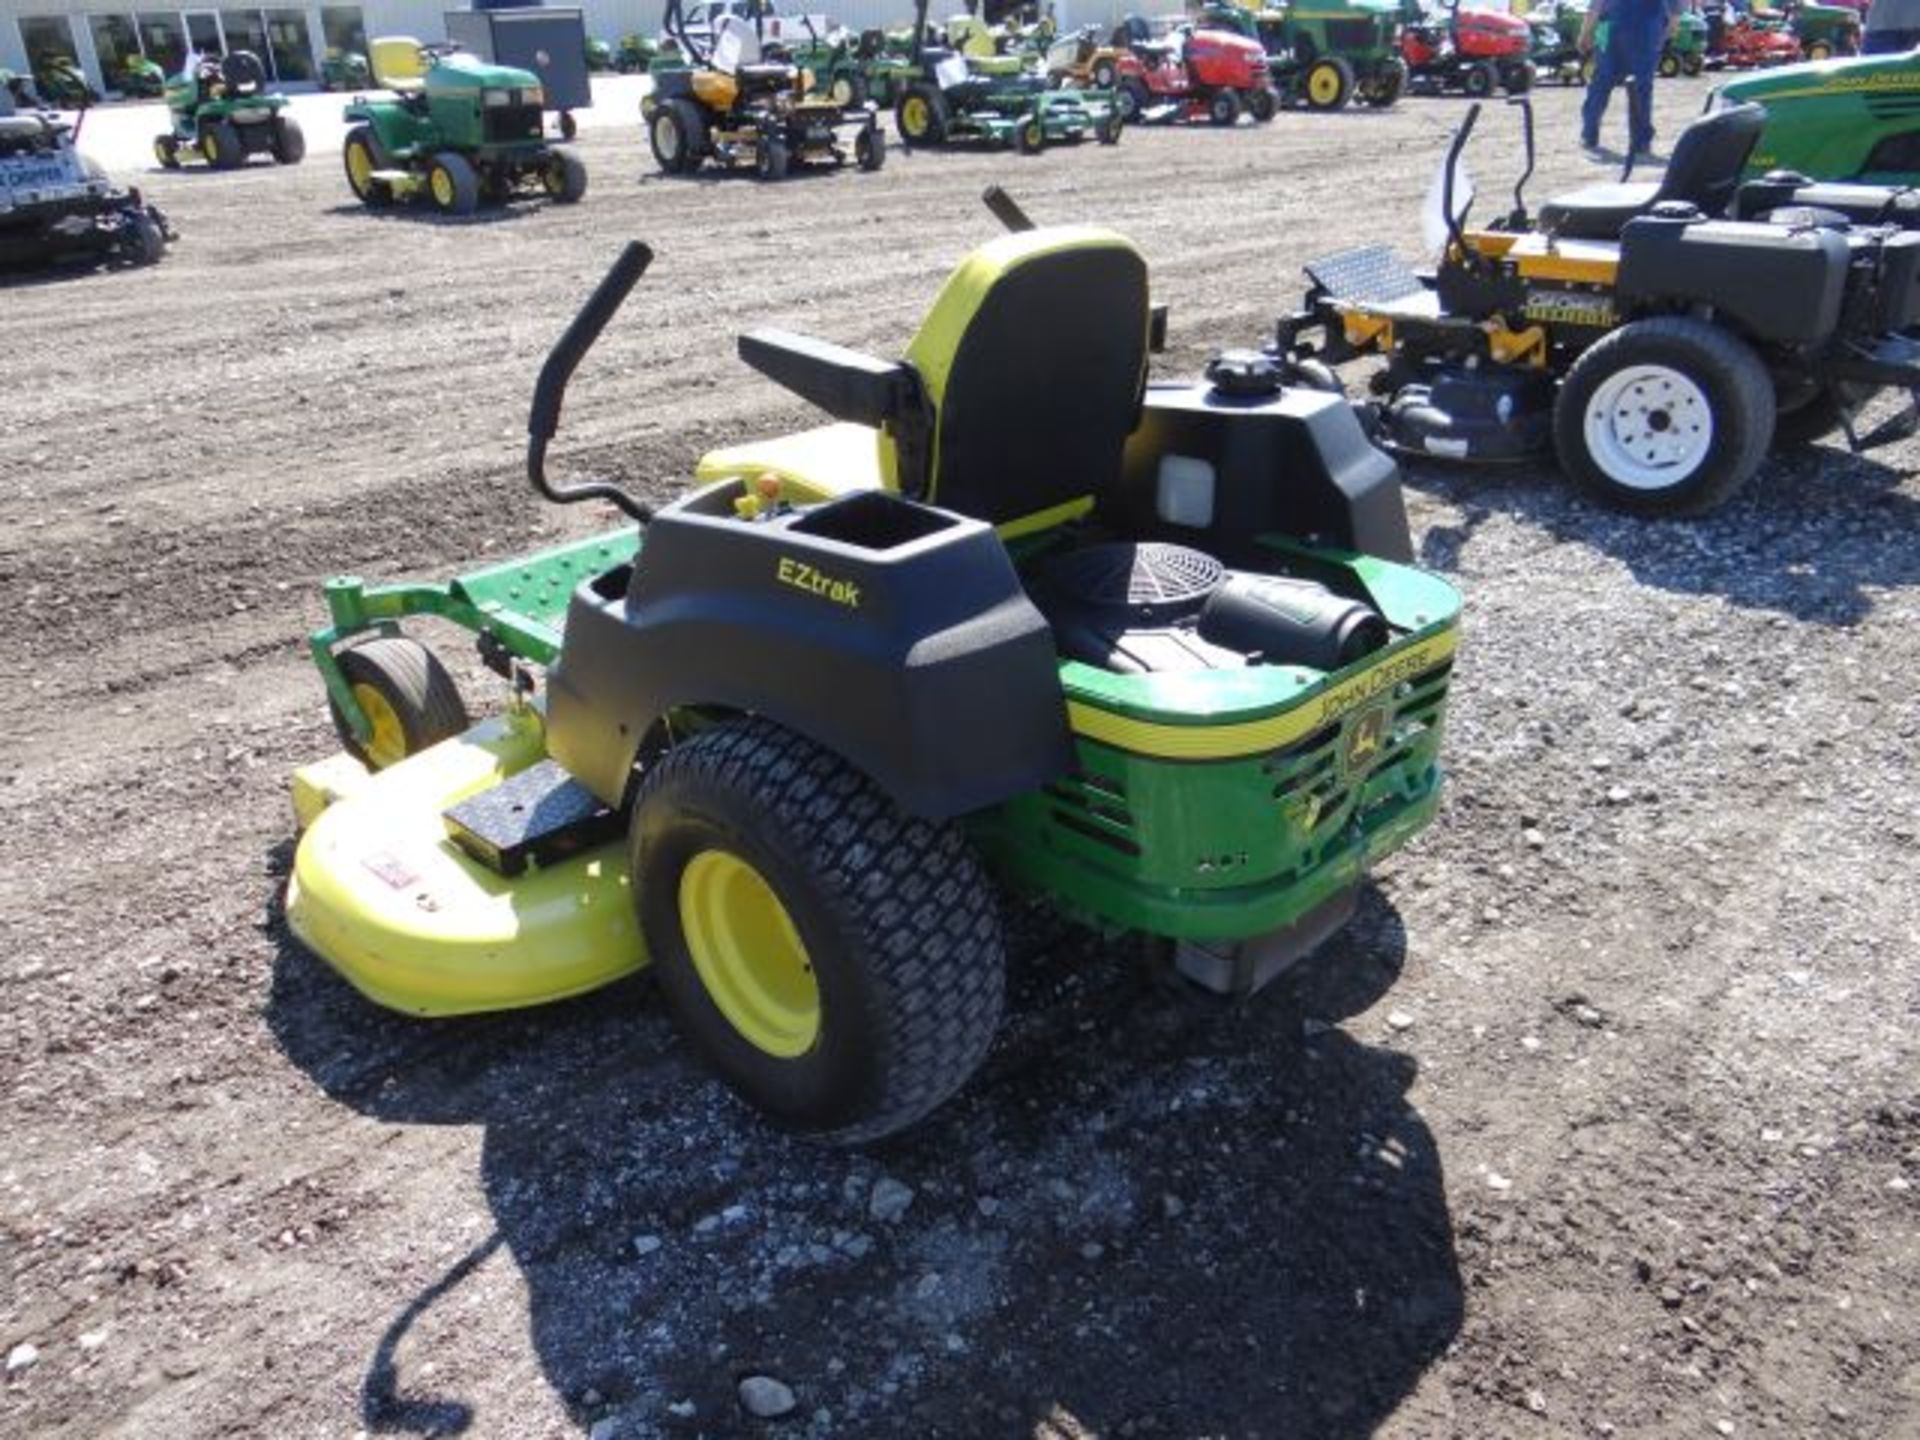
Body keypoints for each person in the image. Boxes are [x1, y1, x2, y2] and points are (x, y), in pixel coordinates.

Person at [1579, 0, 1683, 158]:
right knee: (1641, 87)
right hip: (1647, 26)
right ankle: (1641, 142)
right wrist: (1669, 29)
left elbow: (1596, 5)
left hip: (1610, 24)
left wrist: (1585, 33)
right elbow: (1674, 12)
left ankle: (1589, 134)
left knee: (1601, 82)